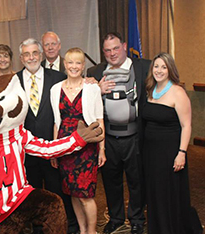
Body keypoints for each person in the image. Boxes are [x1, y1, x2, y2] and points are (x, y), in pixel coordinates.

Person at [86, 32, 150, 234]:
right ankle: (115, 218)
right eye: (107, 50)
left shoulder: (143, 67)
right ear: (103, 52)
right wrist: (96, 88)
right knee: (111, 180)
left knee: (136, 180)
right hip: (107, 138)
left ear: (124, 46)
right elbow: (82, 99)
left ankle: (137, 219)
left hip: (134, 136)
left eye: (115, 48)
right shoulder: (94, 71)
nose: (112, 53)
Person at [15, 38, 79, 234]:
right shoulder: (13, 81)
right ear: (21, 58)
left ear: (41, 55)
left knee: (57, 191)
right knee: (33, 193)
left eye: (35, 53)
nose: (31, 57)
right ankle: (37, 228)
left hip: (53, 148)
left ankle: (64, 226)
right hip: (26, 150)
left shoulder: (58, 77)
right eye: (27, 54)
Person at [143, 52, 203, 234]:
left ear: (170, 70)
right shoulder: (150, 90)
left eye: (164, 67)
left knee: (169, 194)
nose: (159, 71)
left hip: (170, 154)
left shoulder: (178, 92)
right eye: (156, 66)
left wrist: (182, 153)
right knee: (155, 193)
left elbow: (186, 126)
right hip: (151, 153)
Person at [50, 48, 106, 234]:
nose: (74, 66)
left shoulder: (92, 88)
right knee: (72, 192)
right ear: (65, 64)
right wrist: (54, 150)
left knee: (86, 195)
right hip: (65, 146)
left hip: (86, 147)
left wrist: (102, 149)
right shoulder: (55, 89)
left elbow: (99, 120)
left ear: (83, 66)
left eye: (78, 63)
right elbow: (56, 123)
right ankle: (82, 230)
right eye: (70, 62)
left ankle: (91, 232)